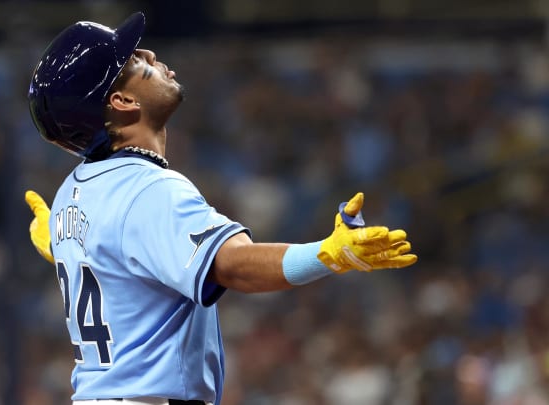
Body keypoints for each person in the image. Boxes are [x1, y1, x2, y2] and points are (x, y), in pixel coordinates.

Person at [23, 12, 417, 405]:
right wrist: (327, 254)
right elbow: (234, 264)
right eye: (135, 62)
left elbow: (113, 258)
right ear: (122, 101)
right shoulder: (149, 189)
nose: (149, 53)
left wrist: (60, 244)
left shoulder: (69, 193)